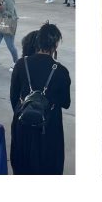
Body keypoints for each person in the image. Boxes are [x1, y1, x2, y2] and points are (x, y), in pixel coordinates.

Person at [9, 22, 71, 174]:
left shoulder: (20, 64)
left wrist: (26, 110)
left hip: (22, 125)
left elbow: (13, 97)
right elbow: (66, 103)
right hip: (49, 129)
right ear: (55, 44)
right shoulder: (61, 71)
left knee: (22, 166)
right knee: (48, 167)